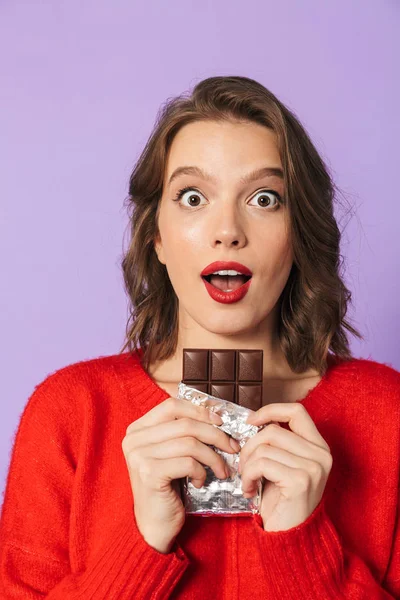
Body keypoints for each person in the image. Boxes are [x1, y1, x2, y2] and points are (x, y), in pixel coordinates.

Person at [0, 75, 399, 599]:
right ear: (157, 236)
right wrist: (139, 543)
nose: (227, 229)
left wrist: (302, 548)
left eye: (264, 198)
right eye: (193, 196)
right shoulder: (72, 410)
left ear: (300, 232)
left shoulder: (387, 414)